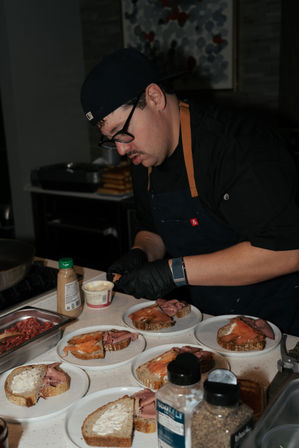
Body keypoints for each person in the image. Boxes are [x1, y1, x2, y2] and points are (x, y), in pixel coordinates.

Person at [81, 48, 299, 335]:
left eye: (122, 131)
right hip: (208, 322)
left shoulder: (237, 144)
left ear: (155, 97)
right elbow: (152, 229)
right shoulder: (143, 155)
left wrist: (173, 271)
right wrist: (141, 252)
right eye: (111, 140)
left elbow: (288, 250)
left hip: (278, 325)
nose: (121, 149)